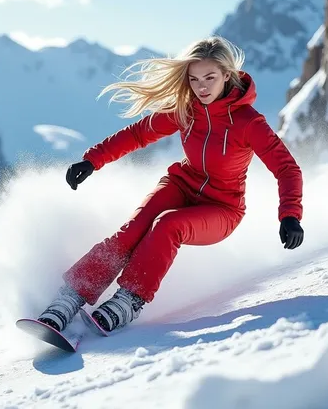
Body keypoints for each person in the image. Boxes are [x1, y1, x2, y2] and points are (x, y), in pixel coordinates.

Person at [38, 36, 304, 334]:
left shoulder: (248, 122)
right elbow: (139, 133)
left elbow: (286, 168)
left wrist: (290, 215)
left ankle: (128, 300)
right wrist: (92, 160)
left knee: (168, 225)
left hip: (222, 208)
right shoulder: (187, 109)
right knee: (133, 230)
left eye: (210, 78)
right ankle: (69, 299)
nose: (201, 87)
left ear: (227, 75)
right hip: (180, 185)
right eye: (194, 79)